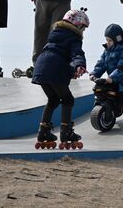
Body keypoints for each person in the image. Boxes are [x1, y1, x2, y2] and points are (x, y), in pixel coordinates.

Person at [31, 9, 89, 145]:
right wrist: (79, 65)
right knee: (68, 99)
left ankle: (43, 130)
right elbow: (77, 53)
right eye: (83, 29)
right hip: (54, 70)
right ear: (78, 25)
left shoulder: (55, 34)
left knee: (53, 99)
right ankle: (66, 131)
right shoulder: (73, 37)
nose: (83, 32)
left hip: (40, 68)